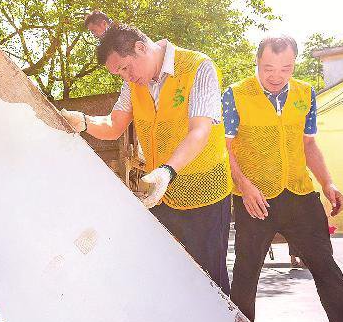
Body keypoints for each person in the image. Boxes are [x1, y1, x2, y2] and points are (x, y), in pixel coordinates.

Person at [224, 35, 343, 322]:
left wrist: (327, 182)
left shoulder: (305, 93)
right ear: (257, 63)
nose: (277, 75)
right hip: (255, 199)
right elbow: (224, 149)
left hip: (300, 196)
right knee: (245, 277)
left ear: (294, 64)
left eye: (286, 68)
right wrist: (245, 188)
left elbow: (309, 145)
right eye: (269, 68)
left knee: (328, 272)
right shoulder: (235, 94)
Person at [60, 23, 233, 291]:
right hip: (161, 194)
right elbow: (114, 126)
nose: (126, 77)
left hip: (204, 194)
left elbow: (200, 131)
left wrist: (167, 171)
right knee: (160, 277)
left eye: (125, 68)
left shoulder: (198, 67)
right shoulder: (133, 85)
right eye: (119, 74)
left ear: (140, 47)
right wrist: (83, 121)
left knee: (211, 285)